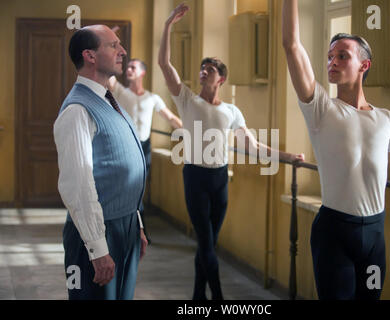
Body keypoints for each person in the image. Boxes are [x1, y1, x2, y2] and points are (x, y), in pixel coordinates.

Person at [282, 0, 390, 300]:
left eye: (342, 56)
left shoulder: (388, 121)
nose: (332, 62)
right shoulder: (320, 109)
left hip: (374, 238)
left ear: (364, 65)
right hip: (334, 234)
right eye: (330, 56)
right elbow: (291, 45)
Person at [159, 3, 304, 300]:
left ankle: (198, 295)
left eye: (209, 70)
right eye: (202, 68)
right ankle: (220, 299)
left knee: (208, 242)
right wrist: (168, 26)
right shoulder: (187, 100)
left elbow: (253, 145)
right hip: (195, 178)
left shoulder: (231, 111)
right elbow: (164, 65)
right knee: (207, 243)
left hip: (220, 179)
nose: (203, 72)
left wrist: (287, 158)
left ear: (220, 79)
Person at [54, 25, 148, 300]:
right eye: (113, 45)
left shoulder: (109, 101)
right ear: (90, 56)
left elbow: (117, 167)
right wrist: (97, 248)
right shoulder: (77, 110)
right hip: (97, 233)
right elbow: (78, 185)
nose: (123, 51)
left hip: (125, 226)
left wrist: (136, 222)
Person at [108, 58, 182, 240]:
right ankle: (127, 230)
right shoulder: (120, 92)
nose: (128, 70)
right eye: (127, 67)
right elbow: (109, 74)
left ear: (142, 73)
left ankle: (138, 230)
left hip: (144, 148)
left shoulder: (152, 98)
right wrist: (108, 48)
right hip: (125, 147)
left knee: (138, 189)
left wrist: (192, 133)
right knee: (124, 188)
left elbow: (171, 119)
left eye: (133, 67)